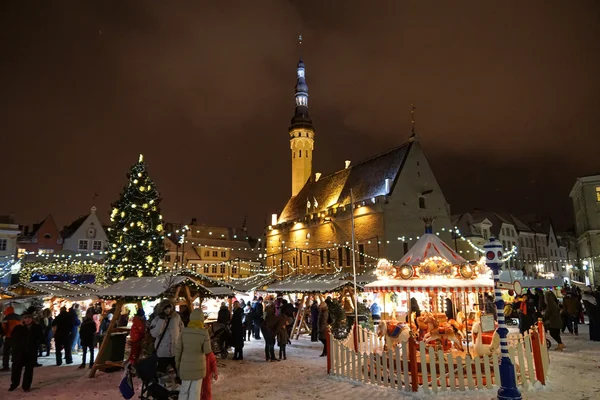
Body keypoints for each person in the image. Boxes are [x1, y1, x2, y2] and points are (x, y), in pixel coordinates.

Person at [175, 309, 212, 400]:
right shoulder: (204, 332)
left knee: (184, 391)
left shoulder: (184, 331)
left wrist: (178, 365)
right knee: (195, 392)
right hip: (199, 368)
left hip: (185, 367)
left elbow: (178, 350)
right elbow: (207, 350)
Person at [8, 311, 42, 392]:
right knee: (16, 369)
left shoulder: (36, 327)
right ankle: (14, 384)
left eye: (29, 318)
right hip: (19, 352)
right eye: (25, 318)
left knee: (29, 370)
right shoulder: (18, 328)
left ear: (32, 318)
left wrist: (37, 342)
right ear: (23, 319)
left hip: (31, 352)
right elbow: (13, 339)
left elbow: (40, 338)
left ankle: (26, 386)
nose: (27, 320)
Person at [150, 299, 184, 373]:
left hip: (175, 351)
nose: (168, 310)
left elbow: (181, 330)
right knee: (161, 374)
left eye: (169, 307)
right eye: (165, 308)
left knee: (179, 373)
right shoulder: (157, 319)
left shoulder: (176, 317)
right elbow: (154, 334)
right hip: (162, 352)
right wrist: (162, 320)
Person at [1, 306, 21, 371]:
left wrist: (3, 335)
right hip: (18, 338)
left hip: (9, 337)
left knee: (6, 352)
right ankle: (17, 365)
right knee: (16, 352)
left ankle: (5, 366)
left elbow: (4, 328)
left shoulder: (6, 318)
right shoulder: (19, 317)